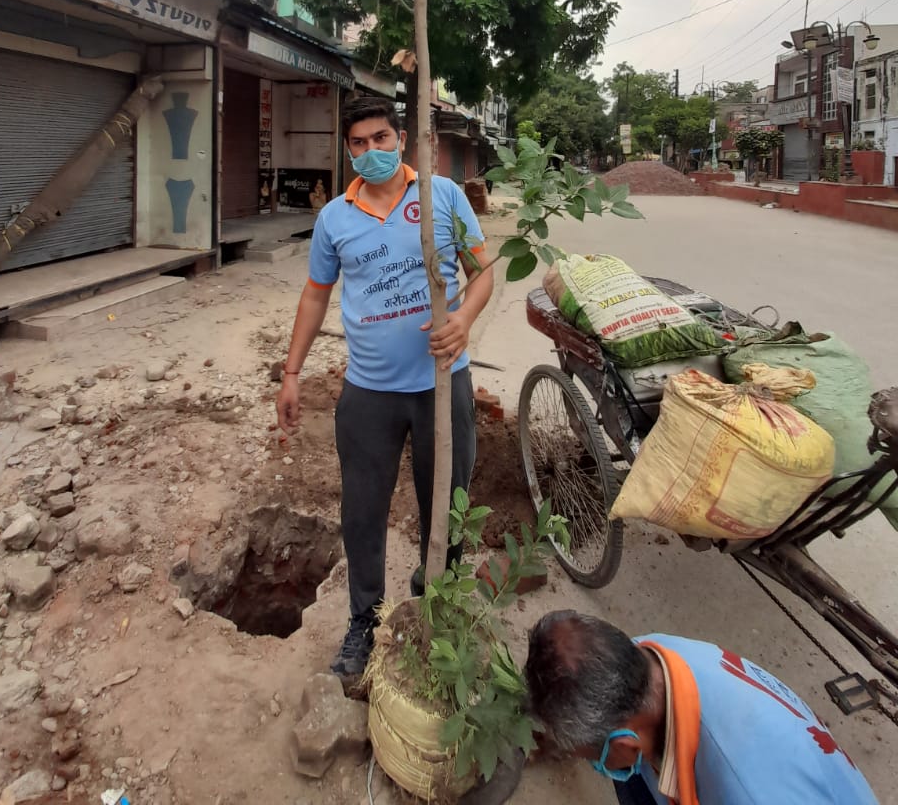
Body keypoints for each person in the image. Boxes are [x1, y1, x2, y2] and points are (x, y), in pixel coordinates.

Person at [277, 95, 494, 686]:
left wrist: (464, 319)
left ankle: (439, 610)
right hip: (368, 394)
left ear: (402, 139)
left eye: (380, 139)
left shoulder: (442, 196)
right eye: (357, 143)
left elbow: (482, 272)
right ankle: (363, 621)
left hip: (442, 387)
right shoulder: (335, 219)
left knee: (445, 510)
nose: (369, 151)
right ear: (346, 149)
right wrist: (292, 373)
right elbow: (316, 295)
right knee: (362, 514)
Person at [524, 611, 878, 804]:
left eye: (594, 759)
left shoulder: (748, 789)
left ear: (626, 744)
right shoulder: (646, 657)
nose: (595, 766)